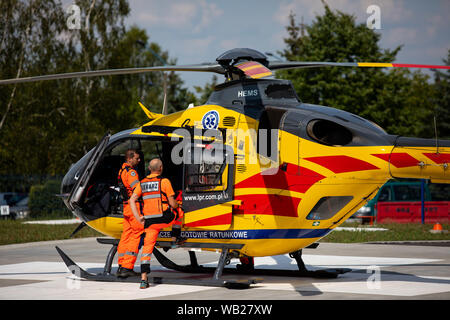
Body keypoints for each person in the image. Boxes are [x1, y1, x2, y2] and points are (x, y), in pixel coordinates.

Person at [129, 158, 180, 289]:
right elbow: (172, 203)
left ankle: (144, 279)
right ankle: (174, 239)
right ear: (161, 168)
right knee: (180, 211)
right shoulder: (164, 181)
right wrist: (178, 204)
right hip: (165, 218)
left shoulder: (142, 183)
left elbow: (132, 200)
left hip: (150, 222)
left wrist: (138, 217)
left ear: (149, 169)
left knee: (147, 250)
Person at [116, 149, 144, 278]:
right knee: (136, 235)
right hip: (134, 207)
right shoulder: (131, 172)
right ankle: (127, 267)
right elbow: (138, 189)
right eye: (136, 158)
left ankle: (121, 265)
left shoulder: (122, 170)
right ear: (129, 159)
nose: (139, 160)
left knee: (125, 236)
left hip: (126, 206)